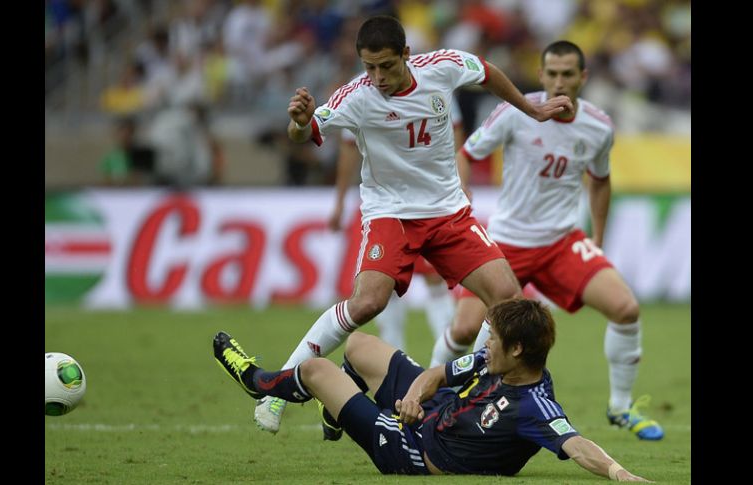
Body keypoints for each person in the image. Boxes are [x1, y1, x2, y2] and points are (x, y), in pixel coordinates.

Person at [253, 14, 573, 434]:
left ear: (407, 54)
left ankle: (471, 393)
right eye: (369, 67)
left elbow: (486, 71)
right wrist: (298, 122)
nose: (378, 77)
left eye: (386, 65)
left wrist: (528, 107)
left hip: (446, 211)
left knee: (508, 299)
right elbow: (308, 131)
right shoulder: (356, 96)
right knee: (368, 303)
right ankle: (278, 391)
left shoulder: (440, 67)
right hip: (391, 213)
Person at [428, 40, 663, 440]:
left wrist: (598, 239)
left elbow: (601, 182)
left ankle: (621, 407)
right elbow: (465, 152)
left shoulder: (599, 126)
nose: (558, 82)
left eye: (567, 74)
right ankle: (430, 394)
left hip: (560, 241)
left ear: (582, 78)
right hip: (504, 242)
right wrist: (461, 194)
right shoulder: (514, 112)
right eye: (551, 73)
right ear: (541, 76)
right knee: (466, 330)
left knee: (625, 309)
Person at [213, 298, 651, 481]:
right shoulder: (491, 360)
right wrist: (413, 396)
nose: (485, 344)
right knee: (361, 344)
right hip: (434, 411)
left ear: (517, 349)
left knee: (315, 370)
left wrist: (620, 474)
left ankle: (258, 383)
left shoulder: (535, 406)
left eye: (494, 338)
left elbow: (576, 444)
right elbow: (438, 375)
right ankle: (339, 407)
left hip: (416, 450)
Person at [326, 98, 465, 350]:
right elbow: (348, 148)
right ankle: (393, 358)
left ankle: (448, 356)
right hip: (384, 205)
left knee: (435, 276)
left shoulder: (434, 81)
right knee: (382, 282)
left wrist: (460, 189)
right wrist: (339, 200)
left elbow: (456, 136)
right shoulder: (358, 94)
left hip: (429, 201)